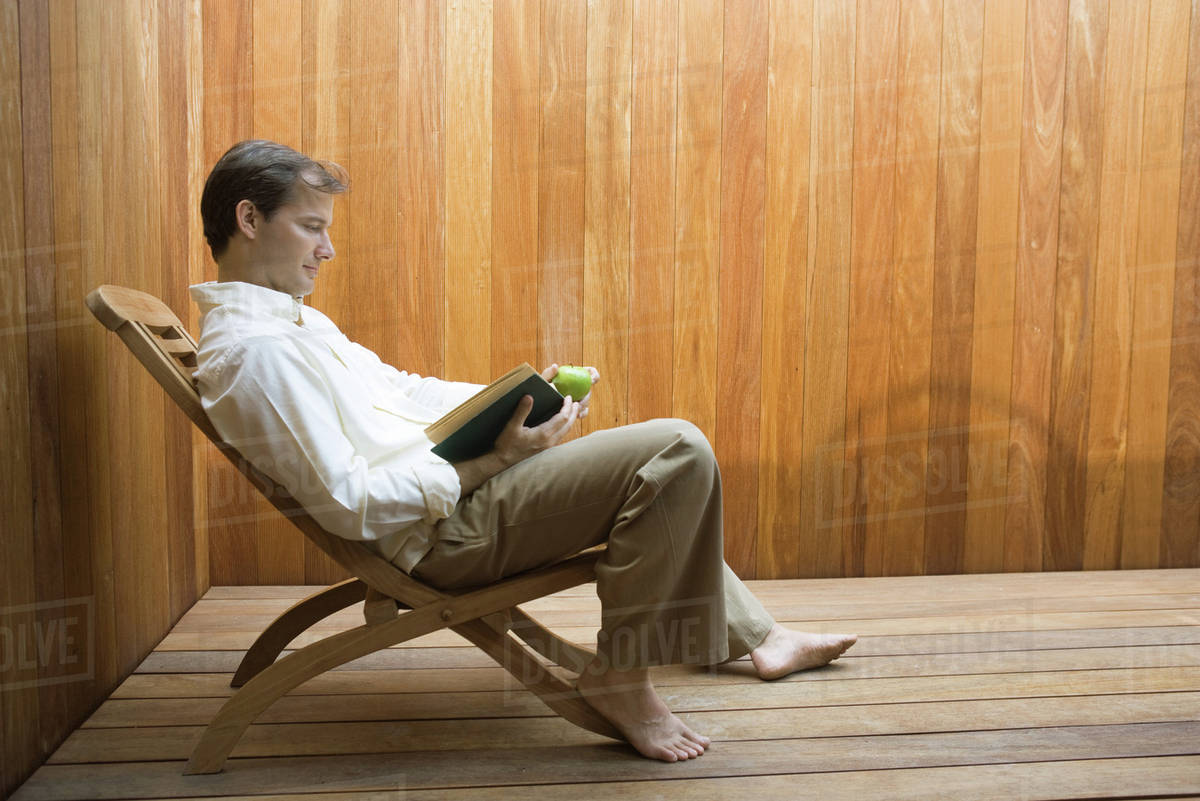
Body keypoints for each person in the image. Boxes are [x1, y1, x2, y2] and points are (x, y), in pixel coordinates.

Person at [191, 140, 857, 763]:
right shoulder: (256, 356)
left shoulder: (291, 322)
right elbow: (349, 502)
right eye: (312, 227)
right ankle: (621, 677)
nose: (327, 250)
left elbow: (399, 388)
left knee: (660, 461)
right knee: (676, 452)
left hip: (456, 492)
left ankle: (759, 636)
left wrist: (515, 398)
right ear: (250, 219)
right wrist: (489, 462)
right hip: (438, 535)